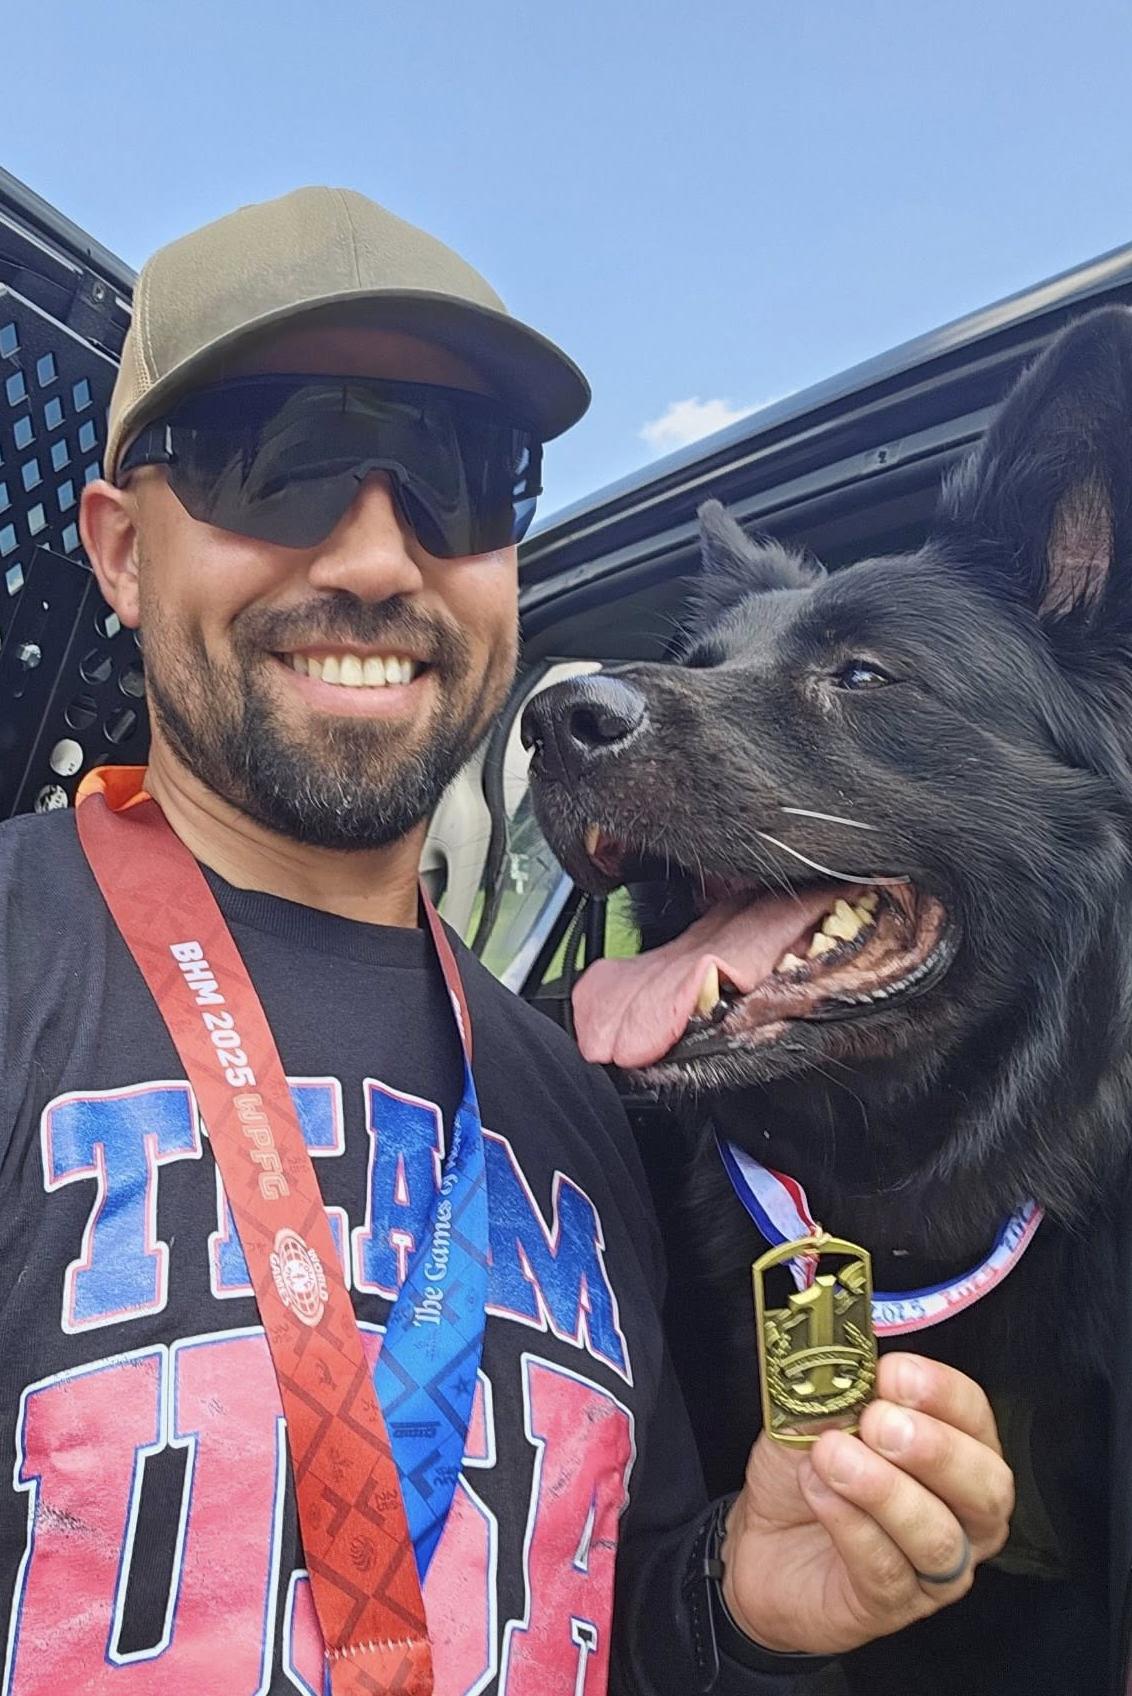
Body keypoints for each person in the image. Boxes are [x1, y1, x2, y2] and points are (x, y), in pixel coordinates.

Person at [0, 185, 1012, 1696]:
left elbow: (625, 1602)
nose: (377, 558)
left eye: (457, 477)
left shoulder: (590, 1099)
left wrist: (742, 1611)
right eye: (273, 460)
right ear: (121, 551)